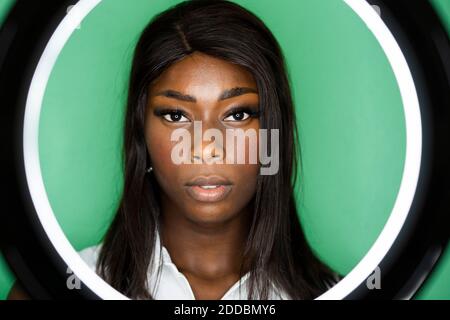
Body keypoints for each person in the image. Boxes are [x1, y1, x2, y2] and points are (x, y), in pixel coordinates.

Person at [9, 0, 338, 300]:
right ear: (141, 132)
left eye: (238, 114)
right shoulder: (50, 289)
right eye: (176, 115)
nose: (208, 147)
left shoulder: (341, 293)